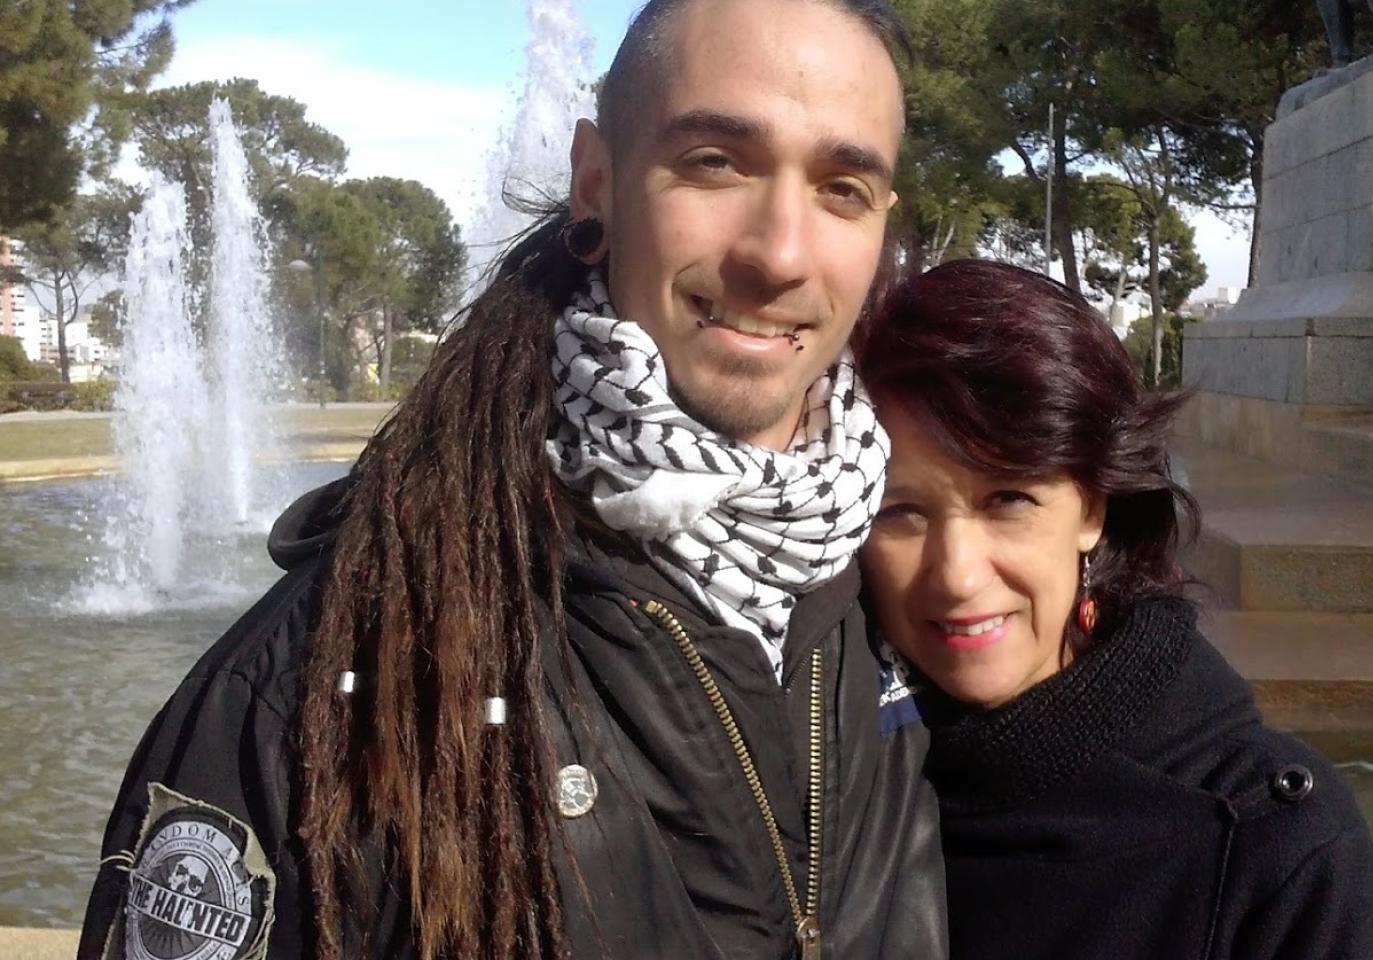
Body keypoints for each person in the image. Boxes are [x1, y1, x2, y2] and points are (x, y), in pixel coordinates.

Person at [78, 2, 949, 958]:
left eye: (842, 188)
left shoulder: (914, 593)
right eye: (715, 162)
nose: (779, 254)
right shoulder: (321, 677)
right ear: (595, 182)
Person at [855, 259, 1373, 959]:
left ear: (1093, 508)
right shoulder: (812, 789)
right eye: (900, 511)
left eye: (1009, 500)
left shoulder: (1275, 840)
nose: (958, 575)